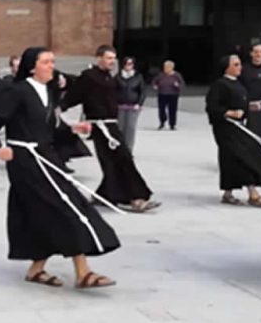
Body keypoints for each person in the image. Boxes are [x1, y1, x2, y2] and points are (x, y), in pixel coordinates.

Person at [0, 47, 121, 290]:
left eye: (52, 61)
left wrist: (73, 129)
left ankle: (36, 269)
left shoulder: (48, 91)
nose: (51, 66)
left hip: (47, 156)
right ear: (32, 67)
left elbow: (48, 127)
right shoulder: (16, 90)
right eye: (46, 62)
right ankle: (83, 272)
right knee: (65, 205)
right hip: (25, 159)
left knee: (43, 210)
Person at [62, 45, 159, 213]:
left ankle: (104, 195)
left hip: (111, 123)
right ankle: (135, 198)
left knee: (114, 161)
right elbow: (75, 94)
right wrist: (58, 108)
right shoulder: (89, 76)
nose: (112, 61)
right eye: (108, 58)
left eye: (114, 58)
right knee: (122, 158)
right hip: (101, 125)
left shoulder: (109, 77)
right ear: (98, 58)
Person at [205, 55, 261, 208]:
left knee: (230, 159)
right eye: (236, 64)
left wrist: (249, 107)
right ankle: (253, 193)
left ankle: (228, 192)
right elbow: (212, 107)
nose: (240, 67)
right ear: (227, 67)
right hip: (226, 128)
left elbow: (240, 103)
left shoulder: (238, 83)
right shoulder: (220, 85)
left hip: (239, 126)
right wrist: (228, 112)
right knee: (244, 156)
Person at [115, 57, 146, 151]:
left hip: (133, 107)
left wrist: (139, 103)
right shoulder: (118, 77)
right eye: (126, 64)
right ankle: (120, 148)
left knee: (130, 128)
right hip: (120, 106)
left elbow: (142, 91)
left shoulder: (138, 77)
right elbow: (113, 91)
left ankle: (128, 149)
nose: (128, 66)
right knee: (120, 128)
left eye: (130, 64)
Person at [152, 60, 185, 130]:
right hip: (162, 94)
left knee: (172, 110)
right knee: (161, 109)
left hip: (173, 95)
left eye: (167, 67)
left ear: (172, 68)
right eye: (165, 67)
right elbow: (154, 81)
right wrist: (155, 86)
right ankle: (162, 122)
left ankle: (172, 124)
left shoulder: (177, 75)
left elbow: (182, 84)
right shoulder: (160, 75)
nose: (165, 69)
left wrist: (178, 85)